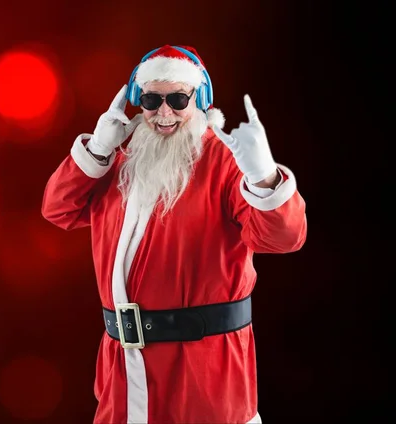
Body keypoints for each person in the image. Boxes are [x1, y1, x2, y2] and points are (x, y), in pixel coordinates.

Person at [41, 44, 307, 424]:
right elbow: (58, 209)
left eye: (178, 99)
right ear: (139, 101)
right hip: (122, 374)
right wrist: (97, 149)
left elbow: (284, 238)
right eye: (151, 99)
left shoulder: (225, 162)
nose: (164, 113)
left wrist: (263, 177)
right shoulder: (120, 159)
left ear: (198, 100)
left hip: (203, 371)